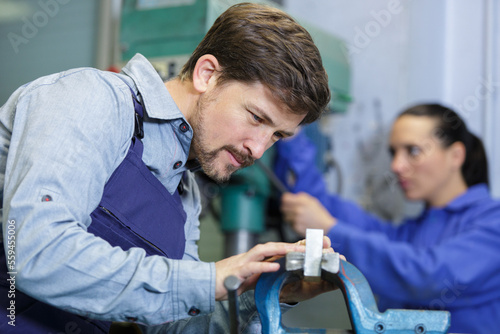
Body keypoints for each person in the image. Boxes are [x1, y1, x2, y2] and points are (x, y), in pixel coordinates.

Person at [0, 3, 333, 333]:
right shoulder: (92, 99)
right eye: (256, 117)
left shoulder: (185, 192)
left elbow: (168, 323)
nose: (258, 149)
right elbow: (35, 252)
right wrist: (210, 279)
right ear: (207, 74)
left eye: (276, 134)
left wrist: (263, 290)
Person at [278, 103, 500, 333]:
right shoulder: (411, 233)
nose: (396, 166)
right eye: (394, 153)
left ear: (456, 155)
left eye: (413, 151)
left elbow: (429, 277)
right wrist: (291, 136)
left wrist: (330, 229)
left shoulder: (493, 221)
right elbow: (321, 208)